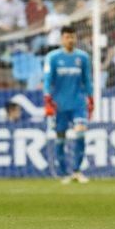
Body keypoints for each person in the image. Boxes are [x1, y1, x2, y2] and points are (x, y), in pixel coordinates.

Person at [44, 26, 93, 184]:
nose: (70, 40)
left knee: (80, 132)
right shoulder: (53, 57)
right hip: (59, 104)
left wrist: (91, 98)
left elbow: (87, 79)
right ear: (61, 39)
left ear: (76, 38)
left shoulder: (83, 57)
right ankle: (65, 173)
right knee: (60, 137)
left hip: (78, 102)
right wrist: (47, 99)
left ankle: (77, 171)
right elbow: (47, 80)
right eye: (67, 37)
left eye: (72, 37)